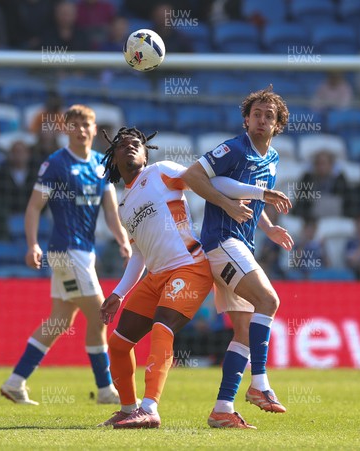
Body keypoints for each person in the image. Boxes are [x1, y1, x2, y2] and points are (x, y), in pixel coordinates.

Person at [96, 126, 289, 428]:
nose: (130, 147)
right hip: (155, 275)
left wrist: (258, 204)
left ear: (146, 154)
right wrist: (119, 293)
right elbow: (138, 255)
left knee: (163, 327)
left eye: (136, 144)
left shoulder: (162, 171)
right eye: (122, 145)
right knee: (118, 344)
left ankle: (150, 408)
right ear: (113, 156)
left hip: (190, 266)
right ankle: (128, 408)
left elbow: (211, 180)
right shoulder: (123, 205)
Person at [0, 105, 131, 405]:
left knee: (59, 320)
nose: (81, 130)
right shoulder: (56, 164)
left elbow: (111, 212)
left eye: (86, 124)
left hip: (85, 253)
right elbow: (34, 207)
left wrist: (123, 240)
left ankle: (15, 381)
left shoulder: (101, 164)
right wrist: (32, 244)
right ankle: (105, 390)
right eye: (74, 125)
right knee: (100, 315)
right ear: (65, 129)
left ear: (95, 129)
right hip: (65, 250)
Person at [182, 86, 294, 428]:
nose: (261, 121)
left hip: (243, 243)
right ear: (246, 119)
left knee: (244, 332)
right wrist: (226, 204)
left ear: (277, 126)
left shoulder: (271, 160)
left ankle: (222, 409)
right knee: (269, 299)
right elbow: (192, 176)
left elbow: (251, 201)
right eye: (256, 115)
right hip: (221, 242)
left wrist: (269, 227)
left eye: (269, 117)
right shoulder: (233, 148)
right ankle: (259, 384)